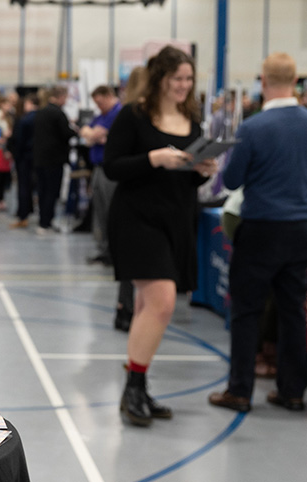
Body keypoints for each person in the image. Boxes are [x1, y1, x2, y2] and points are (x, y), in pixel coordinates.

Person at [104, 45, 217, 427]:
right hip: (136, 219)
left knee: (148, 306)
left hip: (176, 219)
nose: (184, 86)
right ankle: (133, 387)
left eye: (188, 79)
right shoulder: (134, 116)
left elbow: (190, 177)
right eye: (177, 79)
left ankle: (139, 386)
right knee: (162, 302)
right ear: (160, 80)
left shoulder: (194, 123)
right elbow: (112, 166)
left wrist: (202, 170)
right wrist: (154, 158)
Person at [209, 52, 307, 413]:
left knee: (247, 311)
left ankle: (239, 390)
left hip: (262, 228)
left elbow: (232, 180)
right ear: (295, 81)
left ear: (263, 82)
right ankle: (293, 390)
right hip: (301, 229)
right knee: (293, 310)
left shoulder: (252, 128)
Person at [79, 86, 135, 332]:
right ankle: (104, 249)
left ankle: (114, 252)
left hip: (110, 170)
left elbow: (103, 136)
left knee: (112, 213)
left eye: (100, 102)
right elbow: (88, 133)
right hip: (98, 167)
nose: (98, 107)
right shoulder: (102, 115)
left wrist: (97, 135)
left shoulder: (117, 113)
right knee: (100, 213)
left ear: (108, 97)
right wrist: (94, 134)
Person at [33, 85, 75, 235]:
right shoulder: (58, 113)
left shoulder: (41, 112)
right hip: (54, 159)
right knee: (51, 191)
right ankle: (47, 222)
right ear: (61, 96)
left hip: (40, 158)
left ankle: (43, 221)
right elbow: (66, 133)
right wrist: (76, 130)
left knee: (43, 191)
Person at [10, 93, 39, 228]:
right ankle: (30, 211)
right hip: (36, 157)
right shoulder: (39, 118)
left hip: (24, 158)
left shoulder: (25, 120)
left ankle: (23, 215)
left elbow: (19, 140)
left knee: (23, 186)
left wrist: (15, 154)